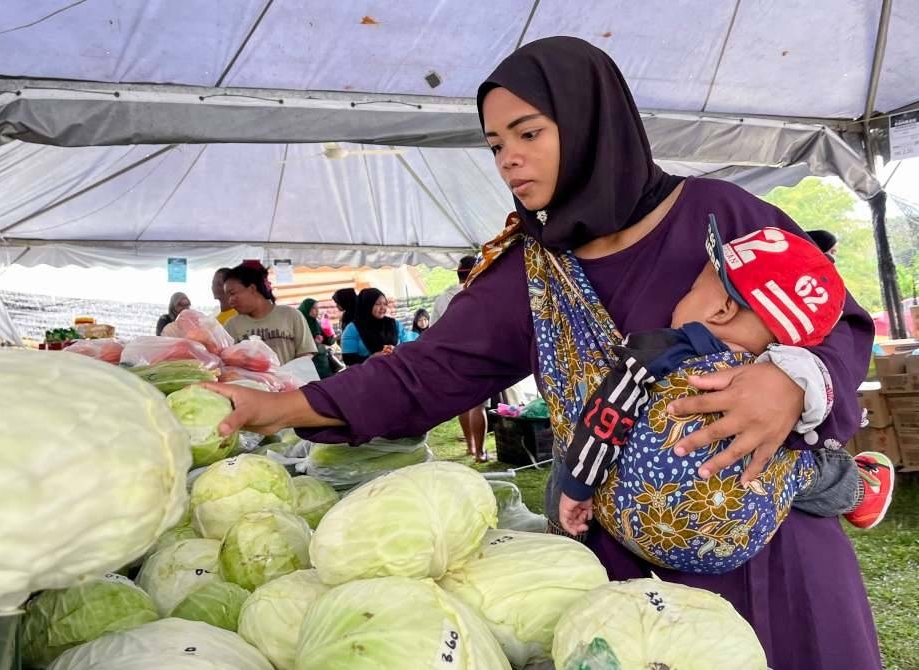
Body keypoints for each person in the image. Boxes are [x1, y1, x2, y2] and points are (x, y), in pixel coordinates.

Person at [203, 37, 880, 670]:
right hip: (634, 571)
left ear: (594, 124)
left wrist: (790, 384)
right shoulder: (530, 271)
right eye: (496, 144)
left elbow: (835, 318)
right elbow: (427, 371)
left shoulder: (718, 215)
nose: (509, 160)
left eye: (529, 133)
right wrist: (278, 406)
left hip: (773, 549)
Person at [557, 221, 894, 570]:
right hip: (742, 539)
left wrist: (577, 486)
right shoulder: (786, 383)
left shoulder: (664, 351)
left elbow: (607, 417)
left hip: (648, 530)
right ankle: (859, 489)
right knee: (800, 460)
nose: (682, 297)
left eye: (692, 289)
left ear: (720, 311)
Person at [431, 256, 489, 461]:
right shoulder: (480, 295)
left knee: (464, 404)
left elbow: (433, 330)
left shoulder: (442, 298)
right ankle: (480, 452)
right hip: (479, 355)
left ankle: (470, 446)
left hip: (452, 358)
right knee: (478, 405)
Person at [222, 262, 316, 365]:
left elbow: (306, 353)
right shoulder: (231, 325)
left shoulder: (290, 315)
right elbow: (227, 362)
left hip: (290, 380)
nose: (230, 301)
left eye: (232, 293)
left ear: (252, 288)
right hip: (251, 381)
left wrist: (289, 375)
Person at [339, 288, 408, 365]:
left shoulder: (395, 324)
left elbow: (407, 349)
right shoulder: (352, 329)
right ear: (367, 304)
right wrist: (372, 358)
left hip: (396, 371)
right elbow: (348, 359)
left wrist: (396, 351)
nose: (383, 307)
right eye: (378, 304)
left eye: (385, 304)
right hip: (368, 374)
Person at [430, 256, 477, 323]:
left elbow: (432, 328)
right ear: (475, 274)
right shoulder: (480, 296)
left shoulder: (441, 299)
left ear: (458, 273)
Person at [298, 298, 337, 379]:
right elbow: (299, 345)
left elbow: (328, 341)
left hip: (322, 362)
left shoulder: (315, 323)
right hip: (309, 365)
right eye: (313, 308)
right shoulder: (299, 324)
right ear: (306, 309)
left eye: (317, 308)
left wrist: (331, 335)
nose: (317, 311)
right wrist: (314, 342)